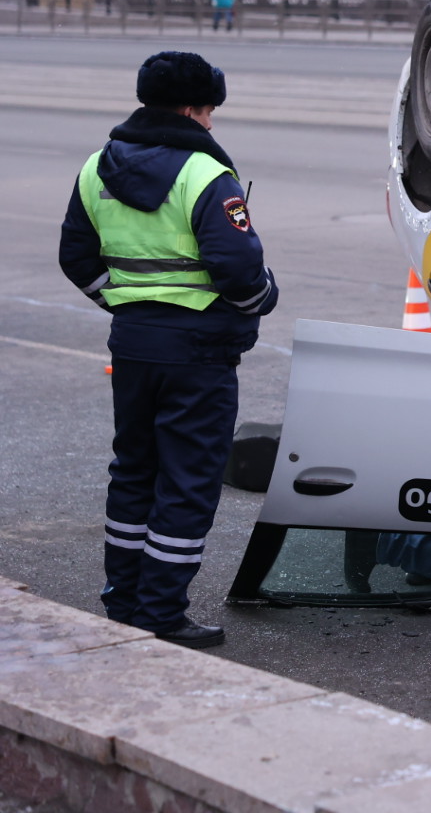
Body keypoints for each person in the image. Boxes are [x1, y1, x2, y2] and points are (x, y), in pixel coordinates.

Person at [59, 51, 278, 647]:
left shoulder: (95, 168)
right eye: (209, 111)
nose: (212, 123)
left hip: (132, 345)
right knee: (187, 483)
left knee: (133, 471)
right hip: (199, 353)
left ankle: (124, 602)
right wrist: (261, 300)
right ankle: (160, 614)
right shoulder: (207, 176)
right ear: (191, 108)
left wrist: (125, 304)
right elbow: (238, 270)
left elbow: (74, 258)